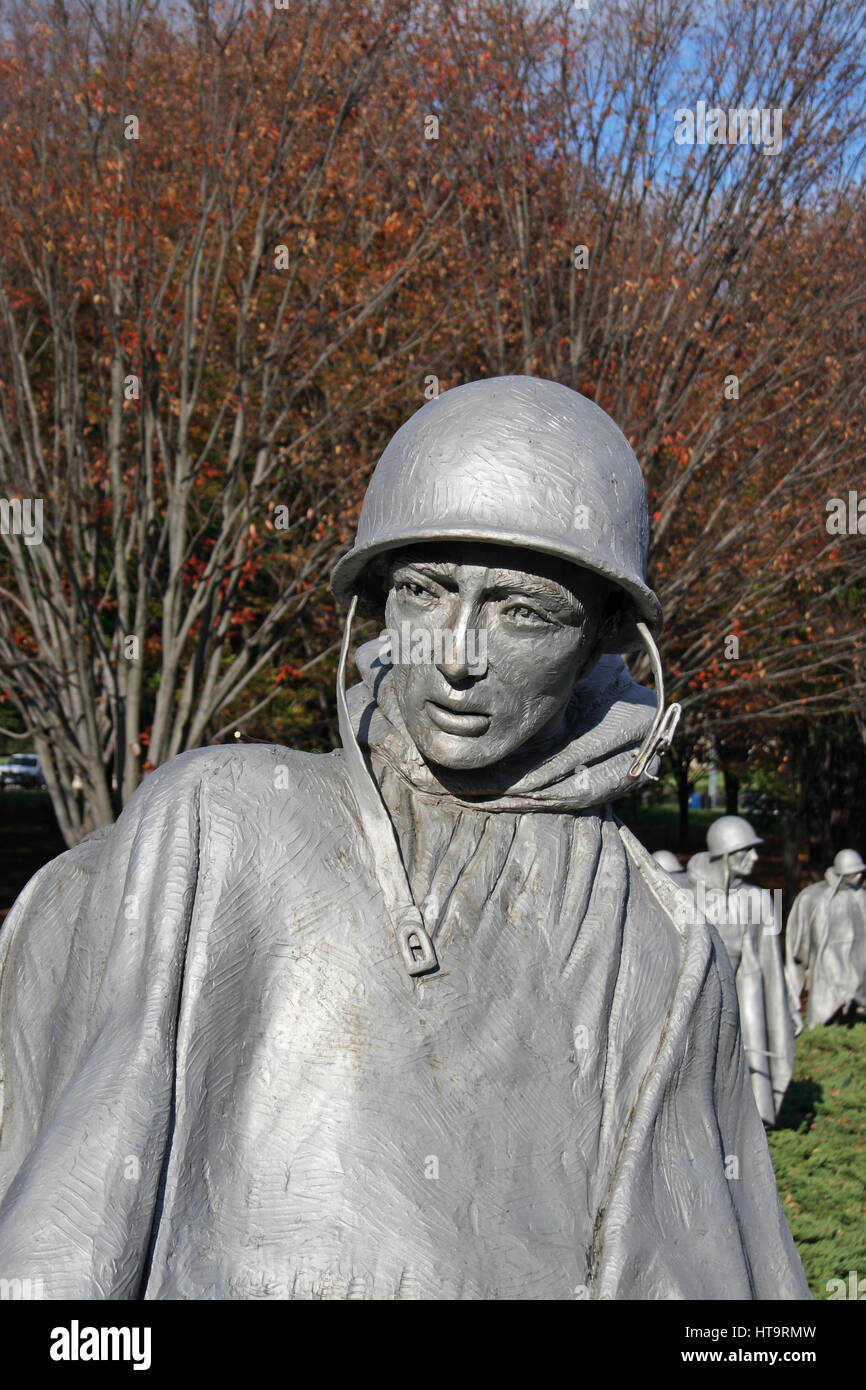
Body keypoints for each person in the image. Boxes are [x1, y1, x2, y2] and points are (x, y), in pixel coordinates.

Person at [0, 377, 808, 1300]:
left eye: (523, 611)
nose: (457, 657)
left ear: (607, 635)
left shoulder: (659, 938)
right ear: (378, 602)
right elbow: (74, 1219)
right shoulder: (223, 821)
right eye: (425, 593)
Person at [687, 816, 798, 1128]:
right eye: (746, 852)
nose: (756, 858)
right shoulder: (690, 899)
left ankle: (753, 1120)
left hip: (745, 981)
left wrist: (787, 1004)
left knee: (751, 1050)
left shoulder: (759, 899)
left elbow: (771, 963)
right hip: (703, 991)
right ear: (724, 855)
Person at [786, 849, 866, 1028]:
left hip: (857, 982)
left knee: (853, 1028)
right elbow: (797, 949)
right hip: (825, 978)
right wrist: (794, 994)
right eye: (854, 873)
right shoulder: (812, 898)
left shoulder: (861, 897)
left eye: (860, 872)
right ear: (841, 874)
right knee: (825, 1026)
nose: (859, 876)